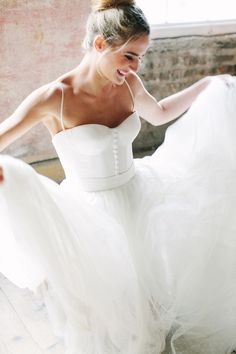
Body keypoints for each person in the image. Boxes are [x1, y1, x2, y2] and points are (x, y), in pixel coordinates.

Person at [0, 0, 236, 353]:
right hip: (90, 209)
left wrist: (205, 85)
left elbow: (157, 114)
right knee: (107, 303)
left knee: (146, 294)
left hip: (137, 195)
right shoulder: (55, 97)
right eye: (129, 55)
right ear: (100, 45)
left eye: (140, 57)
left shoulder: (129, 83)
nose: (135, 66)